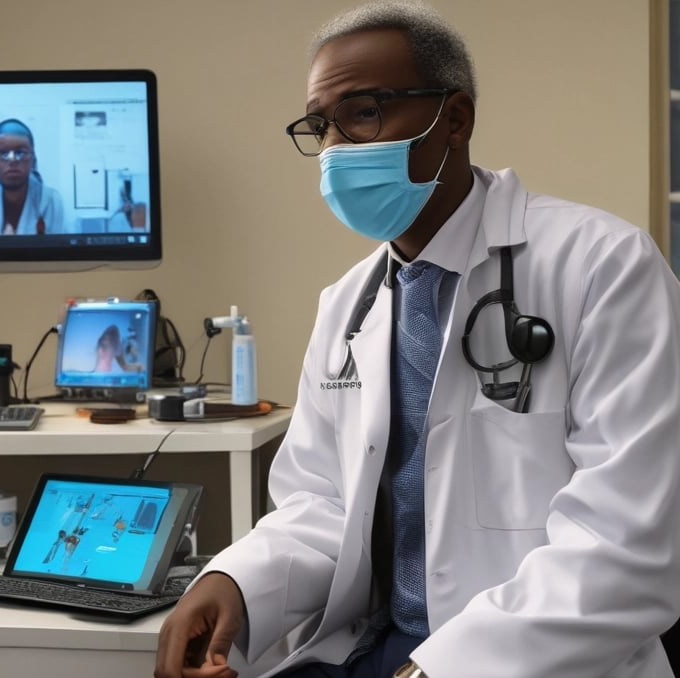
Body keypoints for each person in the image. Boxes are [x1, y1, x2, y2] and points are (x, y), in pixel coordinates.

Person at [155, 3, 680, 678]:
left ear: (454, 119)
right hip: (377, 650)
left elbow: (626, 544)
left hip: (534, 660)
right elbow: (322, 504)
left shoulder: (605, 268)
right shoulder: (348, 305)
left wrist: (445, 668)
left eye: (364, 111)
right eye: (322, 126)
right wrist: (232, 584)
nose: (338, 147)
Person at [0, 118, 65, 235]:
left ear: (32, 160)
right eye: (3, 153)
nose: (12, 160)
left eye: (20, 153)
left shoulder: (52, 201)